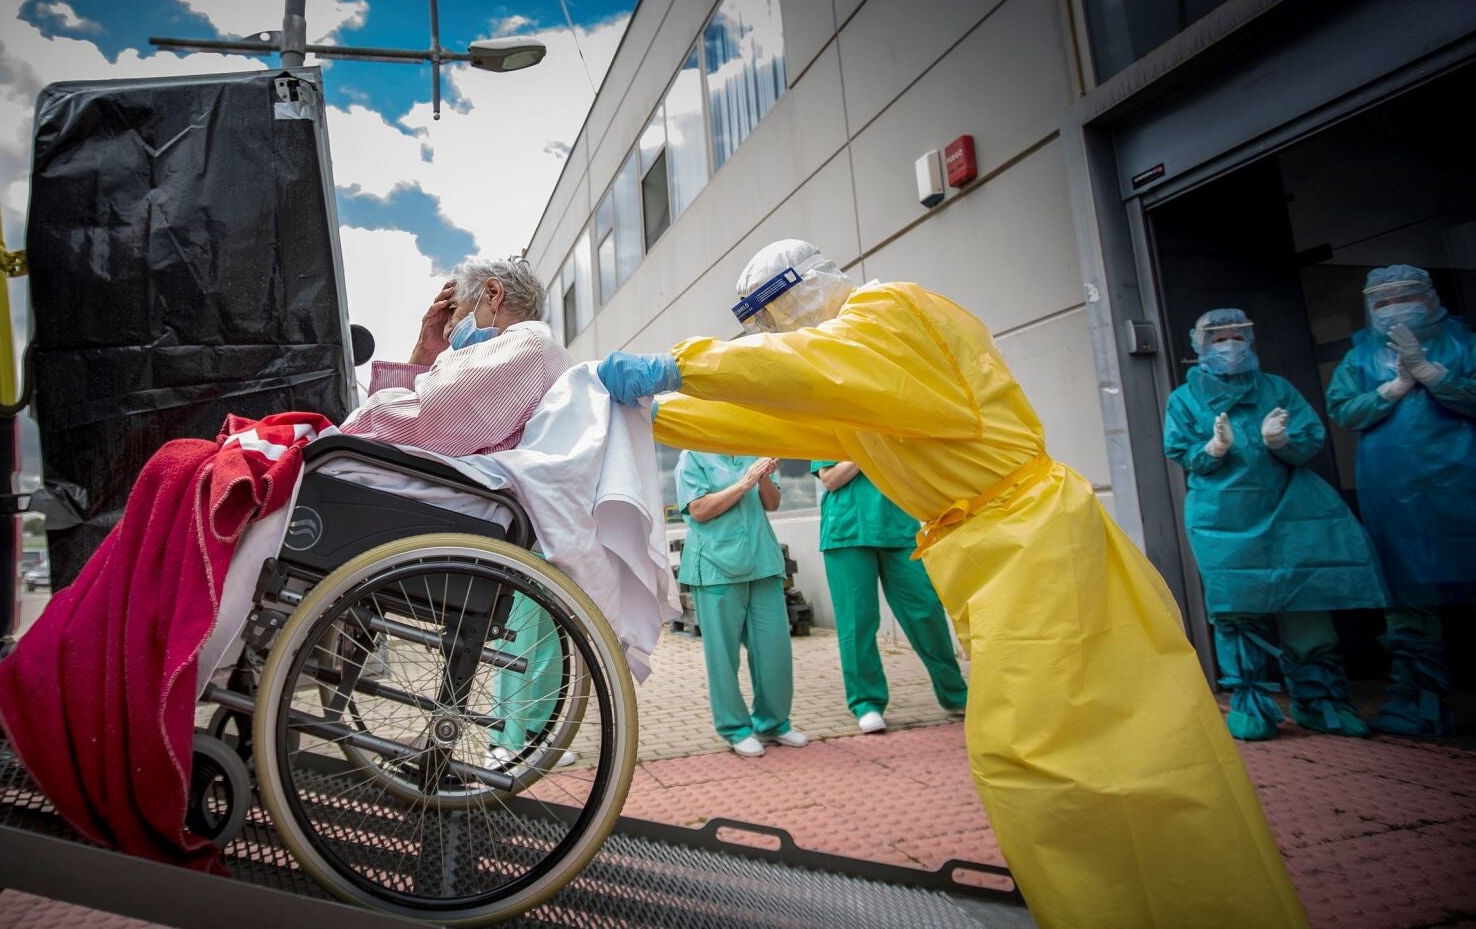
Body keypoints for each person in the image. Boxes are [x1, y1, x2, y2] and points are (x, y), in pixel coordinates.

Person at [597, 240, 1305, 928]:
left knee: (1059, 756)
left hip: (1037, 550)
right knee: (1064, 755)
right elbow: (781, 416)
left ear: (804, 289)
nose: (774, 335)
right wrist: (662, 413)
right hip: (1005, 555)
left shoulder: (890, 313)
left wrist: (678, 367)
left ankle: (1177, 905)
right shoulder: (866, 379)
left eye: (772, 318)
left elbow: (807, 368)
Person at [1163, 309, 1386, 741]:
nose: (1230, 346)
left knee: (1305, 602)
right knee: (1237, 609)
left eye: (1237, 337)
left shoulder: (1277, 389)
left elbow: (1308, 439)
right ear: (1200, 346)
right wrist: (1213, 449)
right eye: (1219, 339)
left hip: (1289, 507)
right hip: (1222, 515)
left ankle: (1319, 702)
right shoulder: (1185, 399)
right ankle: (1251, 707)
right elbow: (1182, 451)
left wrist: (1281, 442)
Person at [1326, 264, 1476, 736]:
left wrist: (1435, 375)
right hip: (1392, 487)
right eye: (1384, 301)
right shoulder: (1361, 355)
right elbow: (1344, 409)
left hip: (1462, 478)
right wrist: (1391, 390)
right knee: (1406, 588)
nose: (1395, 308)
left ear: (1429, 296)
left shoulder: (1463, 344)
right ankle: (1419, 700)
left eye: (1405, 296)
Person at [341, 257, 569, 456]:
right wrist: (425, 351)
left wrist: (360, 417)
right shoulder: (524, 351)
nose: (446, 331)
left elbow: (418, 424)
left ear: (493, 294)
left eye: (452, 309)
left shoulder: (527, 345)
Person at [809, 460, 967, 734]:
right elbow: (831, 480)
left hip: (899, 526)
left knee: (926, 611)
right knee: (857, 621)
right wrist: (866, 447)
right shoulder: (835, 432)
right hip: (848, 530)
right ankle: (866, 702)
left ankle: (954, 693)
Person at [675, 450, 809, 757]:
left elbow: (772, 504)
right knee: (723, 657)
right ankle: (735, 728)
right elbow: (698, 509)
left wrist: (763, 478)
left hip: (762, 562)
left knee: (774, 650)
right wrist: (745, 482)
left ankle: (773, 723)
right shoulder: (692, 455)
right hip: (715, 567)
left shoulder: (752, 449)